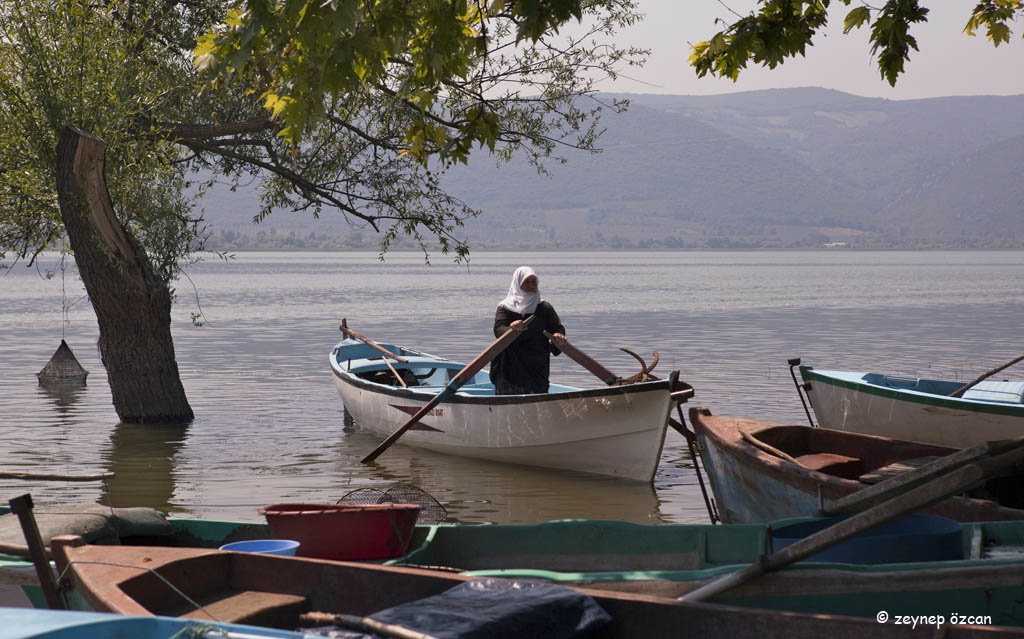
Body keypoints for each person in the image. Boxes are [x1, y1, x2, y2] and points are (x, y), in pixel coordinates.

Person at [490, 266, 566, 395]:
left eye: (534, 282)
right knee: (509, 394)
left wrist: (559, 335)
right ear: (518, 284)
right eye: (527, 282)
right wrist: (511, 328)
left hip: (537, 363)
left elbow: (557, 328)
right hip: (510, 363)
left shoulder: (544, 307)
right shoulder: (505, 307)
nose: (531, 285)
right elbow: (499, 329)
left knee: (538, 393)